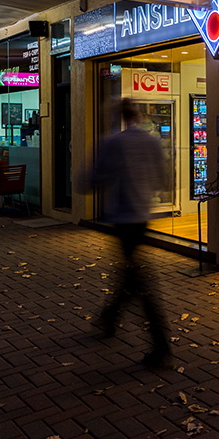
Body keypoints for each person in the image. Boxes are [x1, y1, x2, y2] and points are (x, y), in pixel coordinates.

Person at [90, 98, 171, 367]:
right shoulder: (151, 142)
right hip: (143, 217)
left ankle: (161, 344)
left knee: (139, 279)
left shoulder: (112, 143)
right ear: (138, 115)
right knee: (131, 273)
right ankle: (110, 318)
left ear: (119, 117)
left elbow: (90, 179)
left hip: (123, 219)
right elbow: (162, 179)